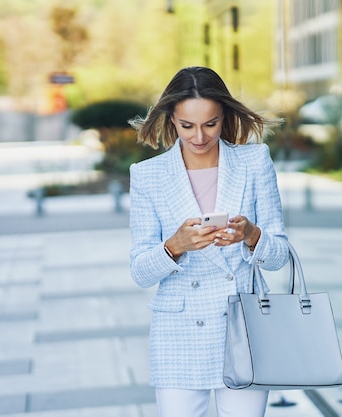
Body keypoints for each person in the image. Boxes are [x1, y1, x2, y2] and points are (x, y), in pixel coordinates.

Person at [128, 66, 290, 417]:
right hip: (179, 333)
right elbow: (140, 272)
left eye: (210, 124)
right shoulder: (147, 175)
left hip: (244, 328)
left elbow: (279, 256)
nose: (199, 136)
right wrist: (176, 245)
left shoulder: (254, 161)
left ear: (224, 117)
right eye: (187, 125)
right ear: (172, 119)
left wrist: (250, 235)